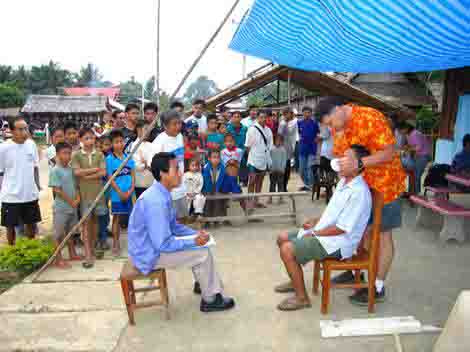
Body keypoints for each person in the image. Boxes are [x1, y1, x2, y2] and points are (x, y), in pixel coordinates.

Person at [314, 96, 406, 306]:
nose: (331, 128)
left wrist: (360, 164)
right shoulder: (339, 129)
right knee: (358, 231)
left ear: (338, 109)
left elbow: (389, 152)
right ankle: (354, 271)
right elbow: (340, 157)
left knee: (382, 235)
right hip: (359, 188)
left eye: (330, 123)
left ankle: (378, 286)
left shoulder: (370, 117)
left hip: (386, 186)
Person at [128, 152, 235, 312]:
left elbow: (174, 227)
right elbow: (163, 244)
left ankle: (204, 283)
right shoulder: (156, 201)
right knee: (202, 252)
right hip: (148, 254)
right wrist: (193, 241)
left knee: (200, 245)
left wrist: (195, 235)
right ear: (163, 174)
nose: (180, 173)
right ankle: (210, 299)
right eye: (176, 169)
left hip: (151, 246)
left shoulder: (162, 193)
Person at [274, 145, 372, 311]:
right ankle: (295, 280)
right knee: (282, 237)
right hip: (326, 234)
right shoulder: (344, 182)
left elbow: (342, 228)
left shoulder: (359, 192)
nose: (341, 160)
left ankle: (302, 298)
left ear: (358, 165)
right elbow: (335, 214)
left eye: (346, 158)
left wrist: (314, 233)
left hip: (338, 243)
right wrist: (316, 221)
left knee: (287, 249)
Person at [0, 116, 42, 245]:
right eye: (20, 129)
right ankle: (12, 250)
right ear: (12, 131)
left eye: (25, 128)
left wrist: (37, 186)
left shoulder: (31, 145)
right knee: (10, 226)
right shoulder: (4, 148)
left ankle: (30, 248)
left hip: (29, 194)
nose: (24, 132)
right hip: (11, 196)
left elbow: (35, 167)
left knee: (31, 226)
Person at [72, 127, 107, 269]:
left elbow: (103, 172)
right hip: (85, 195)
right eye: (86, 138)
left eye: (92, 138)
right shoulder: (77, 155)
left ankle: (92, 249)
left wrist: (86, 175)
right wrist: (94, 170)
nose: (90, 141)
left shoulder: (99, 154)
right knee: (86, 223)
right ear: (80, 140)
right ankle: (87, 254)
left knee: (96, 222)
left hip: (98, 193)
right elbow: (76, 172)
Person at [48, 142, 81, 268]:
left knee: (70, 232)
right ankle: (58, 258)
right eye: (64, 153)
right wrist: (70, 201)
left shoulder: (71, 169)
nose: (67, 156)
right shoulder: (55, 170)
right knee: (58, 234)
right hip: (61, 208)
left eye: (69, 153)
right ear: (57, 155)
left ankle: (72, 253)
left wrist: (77, 198)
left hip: (72, 207)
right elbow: (57, 190)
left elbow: (76, 185)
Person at [151, 110, 188, 221]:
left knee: (181, 217)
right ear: (165, 126)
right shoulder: (159, 141)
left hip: (180, 185)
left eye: (179, 123)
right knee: (168, 219)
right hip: (166, 188)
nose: (178, 126)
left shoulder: (180, 136)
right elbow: (153, 165)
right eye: (174, 124)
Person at [106, 129, 136, 257]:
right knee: (117, 219)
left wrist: (130, 190)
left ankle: (134, 243)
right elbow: (110, 178)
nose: (119, 144)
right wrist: (120, 192)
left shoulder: (128, 157)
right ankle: (116, 243)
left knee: (133, 218)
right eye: (116, 142)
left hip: (130, 193)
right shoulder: (109, 159)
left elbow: (133, 175)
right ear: (112, 144)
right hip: (116, 195)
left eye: (121, 141)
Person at [245, 110, 273, 209]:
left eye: (265, 117)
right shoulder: (251, 129)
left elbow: (270, 146)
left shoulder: (268, 130)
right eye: (261, 117)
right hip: (253, 159)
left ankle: (256, 201)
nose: (263, 119)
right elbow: (248, 146)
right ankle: (249, 202)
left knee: (260, 181)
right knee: (252, 181)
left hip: (264, 159)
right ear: (257, 118)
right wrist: (251, 157)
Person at [397, 122, 432, 194]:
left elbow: (418, 147)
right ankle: (413, 193)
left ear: (406, 128)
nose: (400, 132)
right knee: (414, 175)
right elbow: (412, 146)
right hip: (418, 156)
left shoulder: (415, 134)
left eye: (401, 130)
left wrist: (408, 150)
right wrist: (407, 148)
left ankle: (417, 194)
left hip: (423, 156)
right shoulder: (408, 135)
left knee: (417, 175)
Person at [202, 150, 228, 225]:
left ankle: (216, 220)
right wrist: (210, 192)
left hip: (218, 188)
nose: (216, 159)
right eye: (214, 157)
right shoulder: (206, 167)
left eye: (218, 157)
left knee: (218, 202)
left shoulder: (222, 167)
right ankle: (207, 221)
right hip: (207, 189)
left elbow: (221, 181)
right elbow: (206, 181)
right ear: (209, 159)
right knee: (208, 203)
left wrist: (217, 190)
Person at [297, 106, 320, 191]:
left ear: (311, 113)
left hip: (312, 149)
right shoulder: (299, 123)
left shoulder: (315, 123)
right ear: (302, 113)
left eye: (308, 112)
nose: (307, 114)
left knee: (310, 168)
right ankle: (307, 184)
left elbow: (319, 134)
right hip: (302, 149)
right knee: (301, 170)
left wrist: (316, 140)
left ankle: (311, 186)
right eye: (305, 112)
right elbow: (297, 134)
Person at [131, 121, 154, 199]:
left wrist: (146, 163)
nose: (148, 132)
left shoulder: (151, 145)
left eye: (149, 129)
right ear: (139, 130)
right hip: (140, 184)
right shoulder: (134, 146)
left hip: (151, 182)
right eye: (146, 129)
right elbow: (137, 166)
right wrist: (146, 165)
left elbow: (153, 163)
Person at [97, 135, 112, 251]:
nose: (108, 146)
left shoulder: (110, 157)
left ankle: (104, 233)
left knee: (105, 213)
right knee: (101, 214)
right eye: (105, 144)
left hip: (107, 190)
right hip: (98, 189)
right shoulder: (99, 157)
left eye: (109, 144)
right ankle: (101, 238)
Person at [277, 108, 298, 192]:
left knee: (287, 170)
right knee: (284, 170)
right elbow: (279, 136)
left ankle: (284, 187)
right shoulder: (282, 123)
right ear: (286, 114)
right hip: (283, 150)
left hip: (288, 149)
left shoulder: (288, 123)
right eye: (290, 113)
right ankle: (282, 187)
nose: (292, 115)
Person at [227, 111, 248, 185]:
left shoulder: (245, 128)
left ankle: (243, 182)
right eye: (235, 117)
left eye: (238, 116)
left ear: (241, 118)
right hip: (231, 153)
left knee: (243, 171)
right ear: (232, 118)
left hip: (243, 153)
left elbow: (247, 140)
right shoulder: (228, 128)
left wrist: (245, 150)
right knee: (233, 173)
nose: (236, 118)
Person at [269, 135, 287, 204]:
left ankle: (281, 198)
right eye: (277, 140)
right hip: (272, 170)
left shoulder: (283, 150)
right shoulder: (271, 149)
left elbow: (284, 160)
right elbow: (269, 159)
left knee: (280, 184)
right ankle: (270, 198)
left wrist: (283, 168)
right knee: (272, 184)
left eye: (280, 141)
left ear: (282, 142)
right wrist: (270, 167)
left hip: (280, 171)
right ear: (274, 141)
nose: (278, 142)